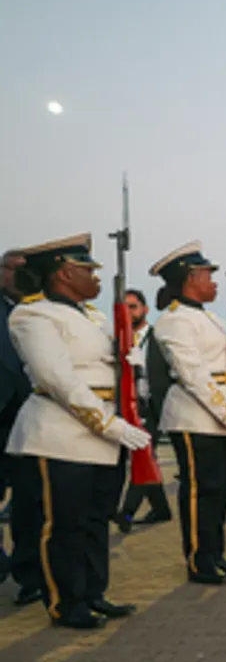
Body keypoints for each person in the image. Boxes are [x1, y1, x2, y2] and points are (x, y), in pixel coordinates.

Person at [6, 233, 148, 628]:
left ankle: (92, 593)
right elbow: (58, 379)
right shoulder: (33, 315)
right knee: (64, 524)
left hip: (104, 434)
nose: (96, 278)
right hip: (61, 431)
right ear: (65, 273)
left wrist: (128, 360)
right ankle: (65, 603)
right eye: (88, 270)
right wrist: (107, 423)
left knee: (95, 520)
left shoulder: (94, 317)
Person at [151, 241, 226, 585]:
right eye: (208, 275)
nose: (214, 281)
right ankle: (199, 559)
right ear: (189, 277)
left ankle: (216, 553)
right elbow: (192, 374)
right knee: (201, 490)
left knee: (221, 490)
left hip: (223, 413)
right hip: (195, 417)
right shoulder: (174, 321)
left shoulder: (208, 317)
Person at [114, 288, 172, 532]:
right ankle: (161, 509)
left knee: (143, 454)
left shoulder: (158, 337)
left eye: (134, 306)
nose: (130, 311)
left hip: (153, 405)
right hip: (127, 406)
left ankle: (126, 513)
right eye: (125, 307)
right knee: (146, 456)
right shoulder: (118, 339)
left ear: (145, 309)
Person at [2, 249, 38, 599]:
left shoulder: (41, 310)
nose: (17, 277)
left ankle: (30, 575)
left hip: (29, 419)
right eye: (11, 270)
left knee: (30, 501)